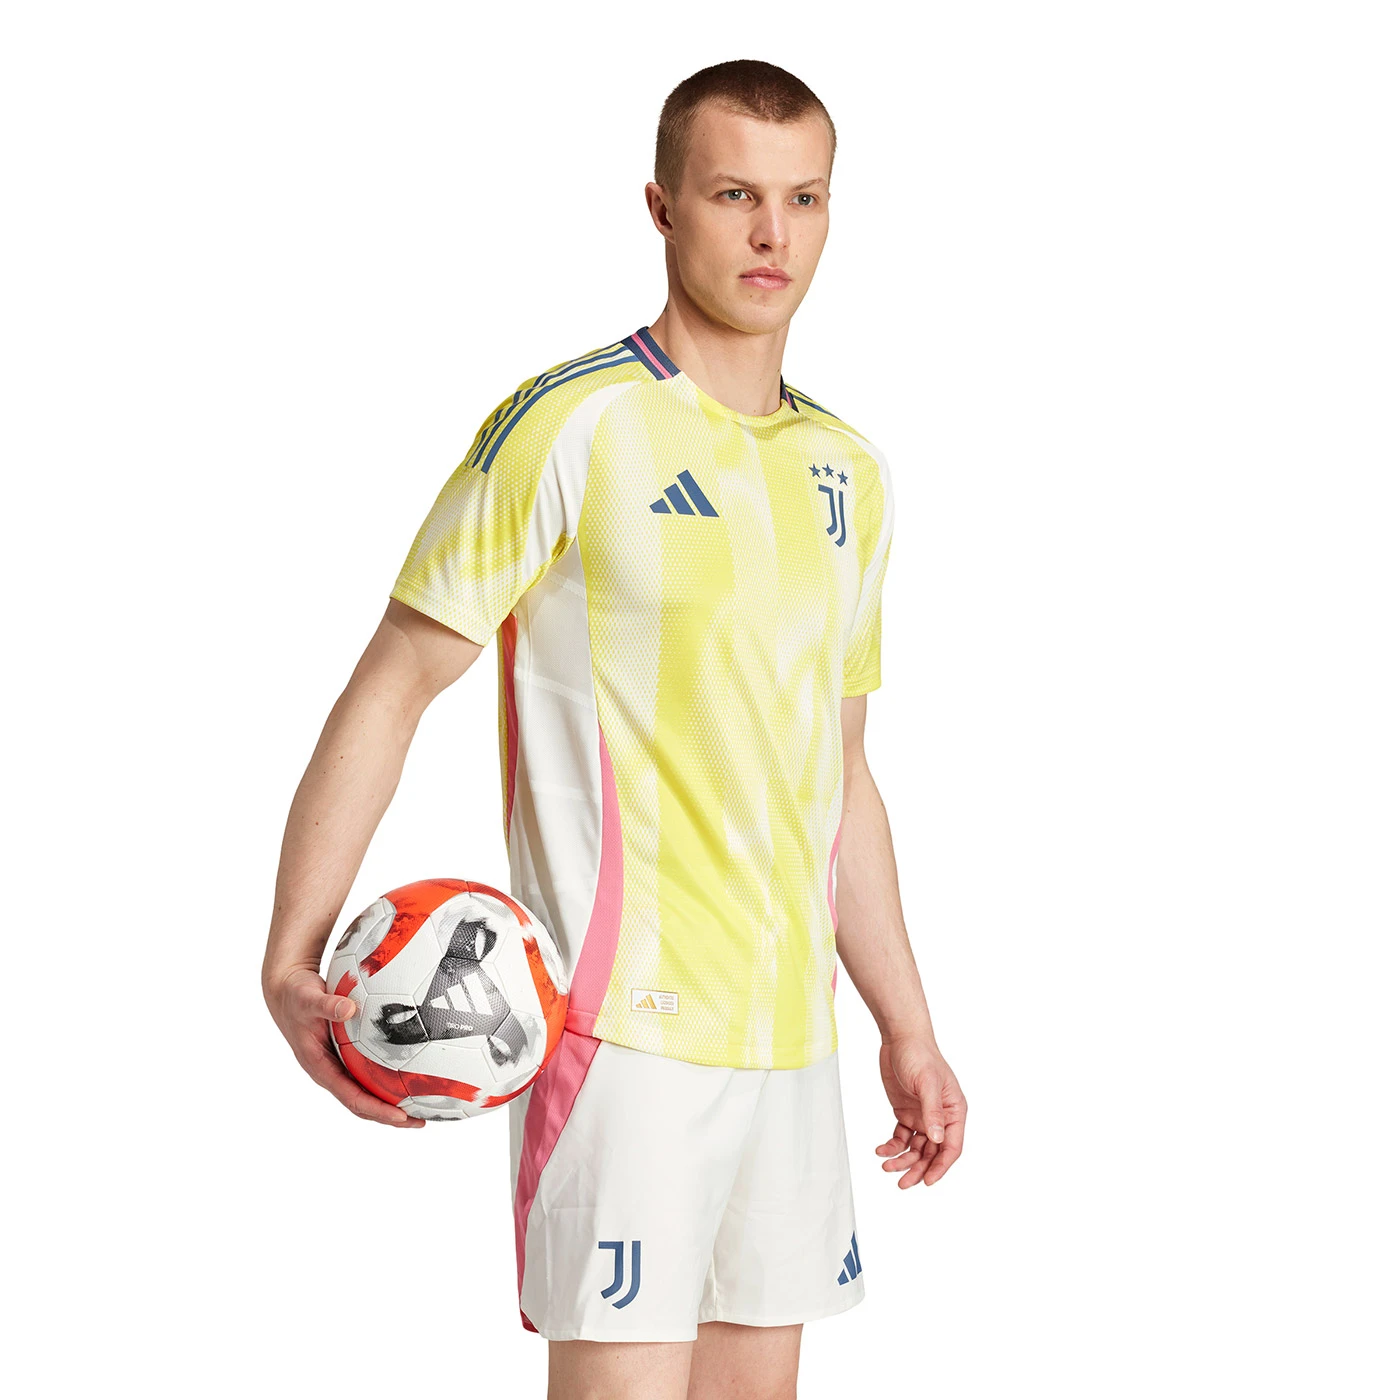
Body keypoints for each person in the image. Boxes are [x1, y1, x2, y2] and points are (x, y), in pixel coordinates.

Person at [262, 58, 966, 1400]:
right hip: (618, 1040)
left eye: (805, 198)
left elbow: (842, 773)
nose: (773, 234)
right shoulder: (570, 426)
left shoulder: (851, 473)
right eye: (735, 195)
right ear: (662, 206)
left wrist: (907, 1025)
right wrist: (293, 953)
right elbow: (394, 681)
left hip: (792, 1044)